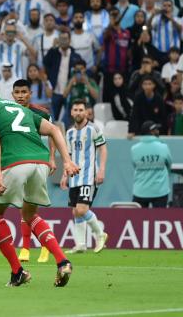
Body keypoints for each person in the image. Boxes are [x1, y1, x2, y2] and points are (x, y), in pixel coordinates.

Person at [0, 74, 79, 287]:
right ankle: (62, 261)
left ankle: (17, 271)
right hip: (39, 164)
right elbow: (54, 129)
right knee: (30, 215)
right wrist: (66, 161)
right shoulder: (21, 109)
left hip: (14, 163)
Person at [11, 78, 56, 264]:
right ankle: (29, 248)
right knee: (24, 205)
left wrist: (53, 158)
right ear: (12, 94)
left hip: (37, 162)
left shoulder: (42, 113)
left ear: (30, 93)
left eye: (24, 92)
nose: (21, 96)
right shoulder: (9, 112)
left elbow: (53, 133)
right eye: (17, 92)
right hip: (19, 162)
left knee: (30, 205)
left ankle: (32, 247)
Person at [61, 99, 109, 254]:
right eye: (75, 110)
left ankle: (100, 234)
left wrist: (101, 170)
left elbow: (103, 149)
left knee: (82, 209)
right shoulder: (69, 133)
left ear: (87, 112)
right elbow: (67, 157)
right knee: (75, 211)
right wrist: (64, 175)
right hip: (75, 177)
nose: (78, 112)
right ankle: (81, 244)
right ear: (71, 112)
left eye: (81, 110)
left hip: (89, 175)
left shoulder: (93, 129)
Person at [131, 121, 172, 208]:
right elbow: (169, 165)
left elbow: (135, 166)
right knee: (159, 219)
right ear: (152, 132)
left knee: (138, 220)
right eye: (156, 129)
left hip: (140, 191)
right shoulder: (163, 147)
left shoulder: (134, 149)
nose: (158, 131)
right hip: (160, 191)